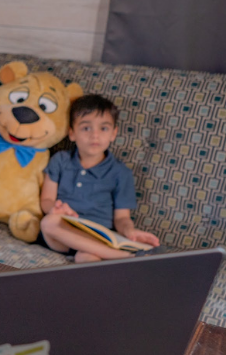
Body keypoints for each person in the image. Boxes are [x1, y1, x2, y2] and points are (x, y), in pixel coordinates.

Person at [38, 94, 159, 262]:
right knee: (49, 222)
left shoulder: (120, 173)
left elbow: (122, 218)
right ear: (72, 133)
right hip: (61, 235)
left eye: (103, 128)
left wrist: (130, 231)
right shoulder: (60, 160)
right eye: (86, 128)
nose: (95, 136)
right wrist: (54, 208)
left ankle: (109, 261)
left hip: (98, 238)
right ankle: (126, 257)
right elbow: (46, 200)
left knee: (85, 258)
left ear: (113, 133)